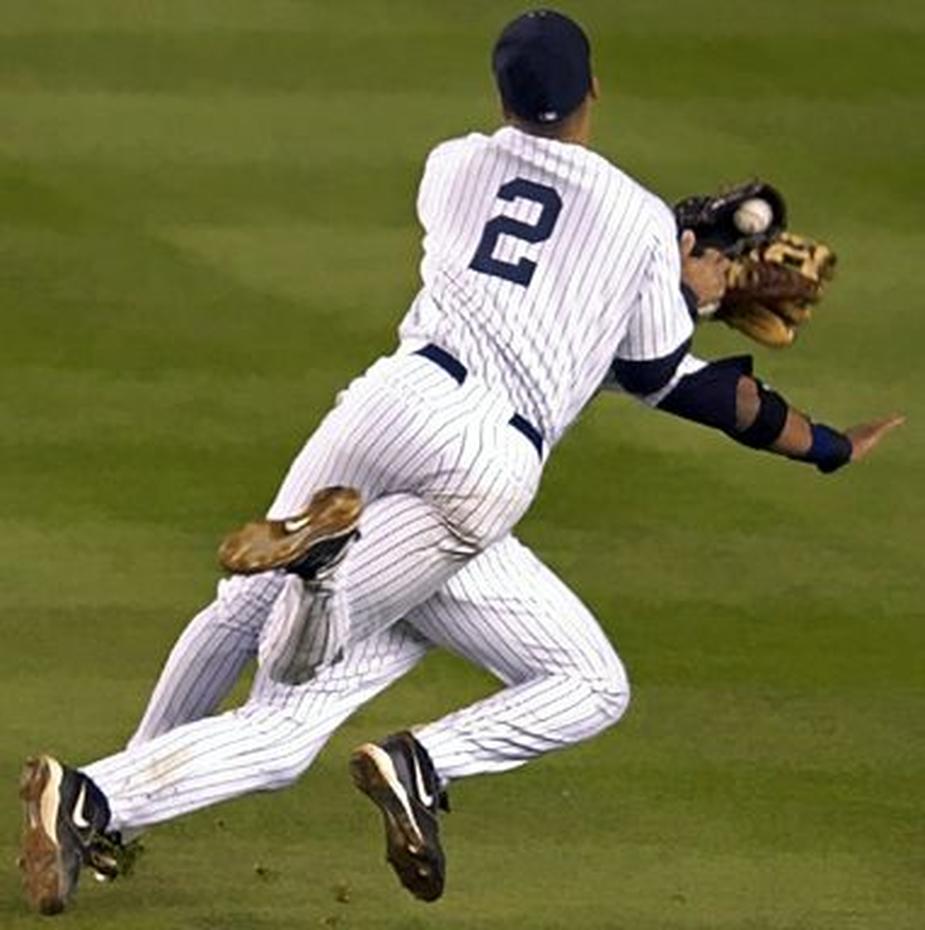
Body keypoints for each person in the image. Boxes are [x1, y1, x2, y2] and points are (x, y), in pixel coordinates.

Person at [19, 8, 902, 916]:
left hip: (388, 402)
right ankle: (333, 615)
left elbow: (539, 268)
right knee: (295, 691)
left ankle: (112, 801)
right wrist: (704, 311)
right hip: (482, 462)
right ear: (595, 88)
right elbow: (647, 370)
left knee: (241, 610)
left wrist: (675, 279)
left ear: (501, 93)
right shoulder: (637, 220)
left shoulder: (452, 164)